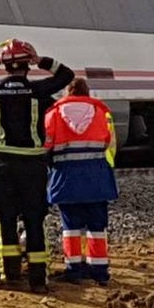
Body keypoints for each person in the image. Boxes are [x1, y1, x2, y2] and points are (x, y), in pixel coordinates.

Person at [0, 39, 74, 292]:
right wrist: (41, 60)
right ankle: (38, 279)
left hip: (2, 165)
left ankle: (10, 274)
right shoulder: (37, 90)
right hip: (32, 166)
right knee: (34, 221)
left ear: (5, 66)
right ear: (27, 65)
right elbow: (67, 76)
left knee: (6, 220)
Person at [45, 78, 118, 284]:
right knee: (97, 227)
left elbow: (46, 144)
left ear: (67, 92)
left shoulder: (54, 114)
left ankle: (74, 270)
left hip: (66, 179)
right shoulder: (101, 112)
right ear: (87, 93)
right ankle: (100, 271)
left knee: (70, 227)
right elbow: (108, 141)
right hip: (97, 179)